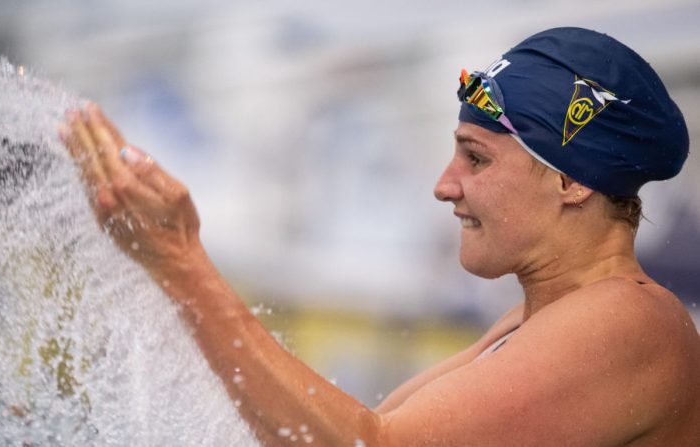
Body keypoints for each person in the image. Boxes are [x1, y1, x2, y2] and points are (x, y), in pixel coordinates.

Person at [59, 27, 700, 446]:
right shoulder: (533, 322)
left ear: (570, 181)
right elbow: (318, 431)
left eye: (475, 158)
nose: (444, 185)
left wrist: (181, 262)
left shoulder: (629, 322)